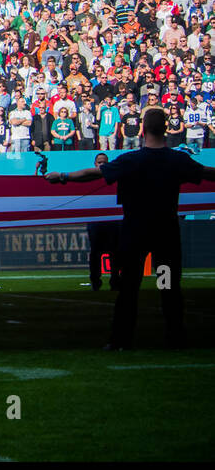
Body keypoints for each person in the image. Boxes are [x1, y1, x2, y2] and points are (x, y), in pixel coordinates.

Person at [47, 108, 215, 349]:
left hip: (135, 232)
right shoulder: (177, 160)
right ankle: (175, 336)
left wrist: (62, 176)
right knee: (167, 285)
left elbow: (92, 174)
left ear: (143, 130)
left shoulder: (131, 160)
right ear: (165, 129)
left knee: (129, 288)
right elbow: (207, 173)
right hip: (165, 233)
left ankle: (120, 339)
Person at [83, 152, 122, 292]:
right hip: (95, 222)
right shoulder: (88, 179)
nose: (102, 164)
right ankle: (95, 281)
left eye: (104, 162)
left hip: (113, 221)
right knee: (95, 253)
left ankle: (115, 280)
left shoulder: (115, 178)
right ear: (95, 164)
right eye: (99, 162)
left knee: (115, 252)